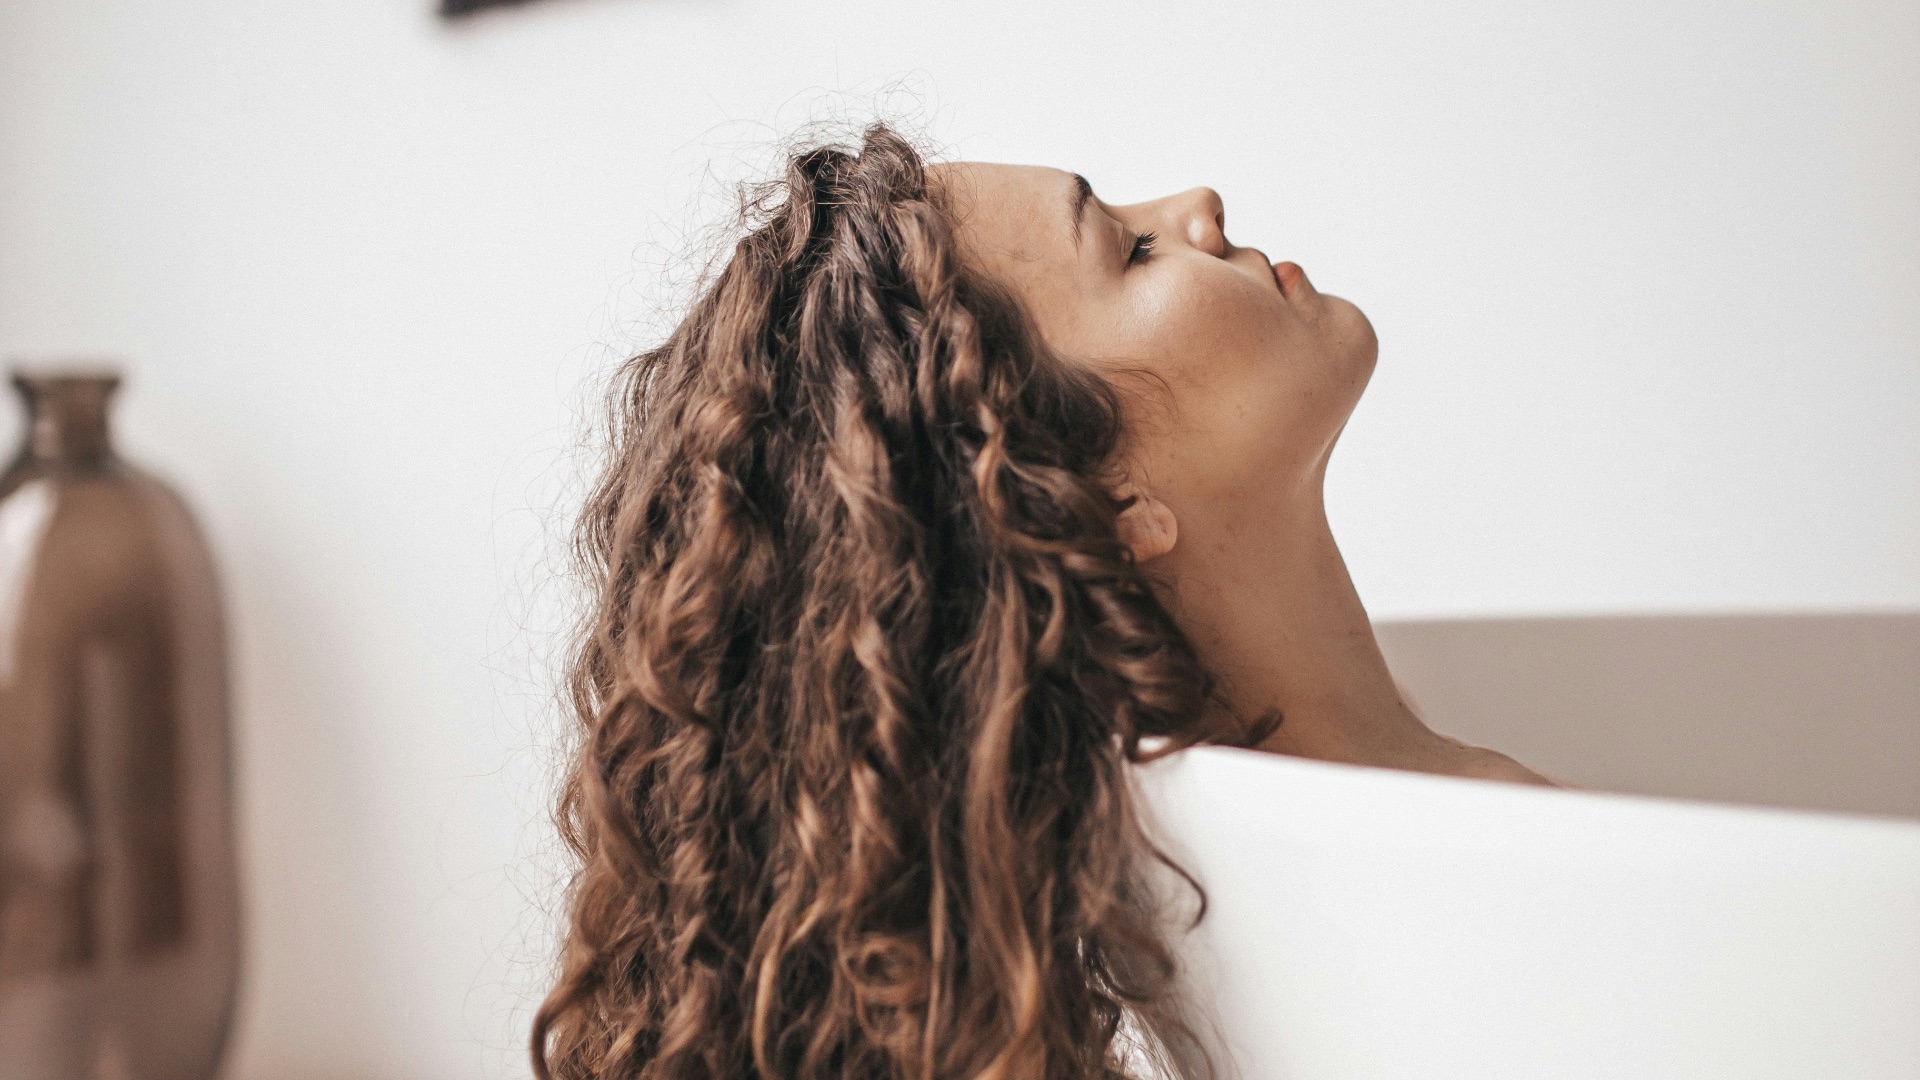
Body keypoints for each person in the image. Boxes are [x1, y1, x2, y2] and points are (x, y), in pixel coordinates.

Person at [532, 124, 1550, 1080]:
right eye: (1136, 252)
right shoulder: (1472, 871)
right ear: (1099, 502)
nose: (1201, 204)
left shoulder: (1265, 863)